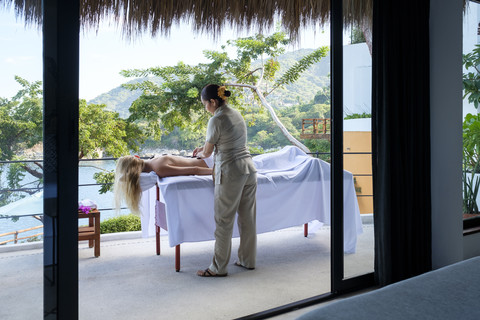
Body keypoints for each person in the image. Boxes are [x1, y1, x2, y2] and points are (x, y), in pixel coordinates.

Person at [193, 84, 257, 277]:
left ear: (213, 102)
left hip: (231, 172)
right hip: (249, 169)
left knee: (223, 221)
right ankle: (247, 260)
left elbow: (207, 152)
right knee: (248, 219)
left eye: (205, 104)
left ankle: (218, 268)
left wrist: (199, 153)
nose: (205, 108)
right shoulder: (236, 114)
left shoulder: (217, 119)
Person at [114, 154, 213, 215]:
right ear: (137, 158)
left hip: (211, 163)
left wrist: (218, 171)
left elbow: (195, 170)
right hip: (207, 160)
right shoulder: (154, 160)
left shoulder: (159, 169)